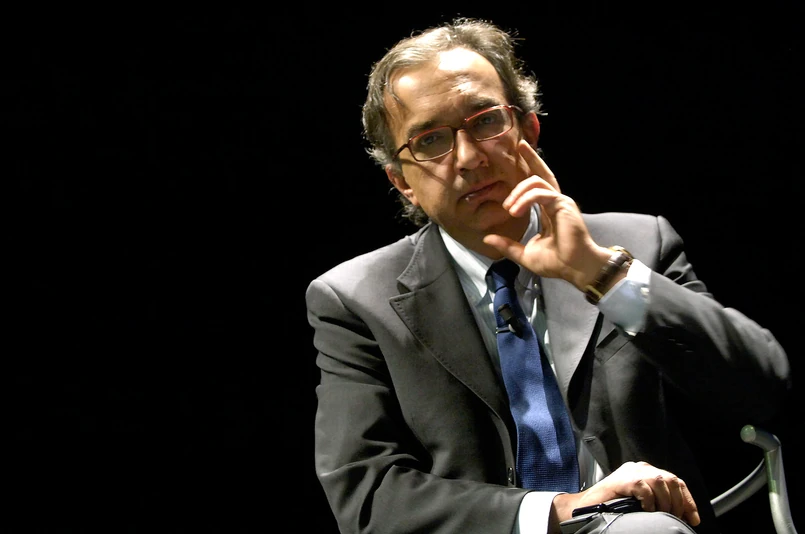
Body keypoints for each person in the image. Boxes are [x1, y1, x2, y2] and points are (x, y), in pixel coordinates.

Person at [305, 17, 791, 534]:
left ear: (529, 130)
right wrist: (558, 510)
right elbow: (367, 493)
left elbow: (760, 390)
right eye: (430, 140)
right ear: (402, 181)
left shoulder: (638, 242)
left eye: (486, 121)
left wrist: (601, 274)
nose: (468, 157)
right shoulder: (356, 299)